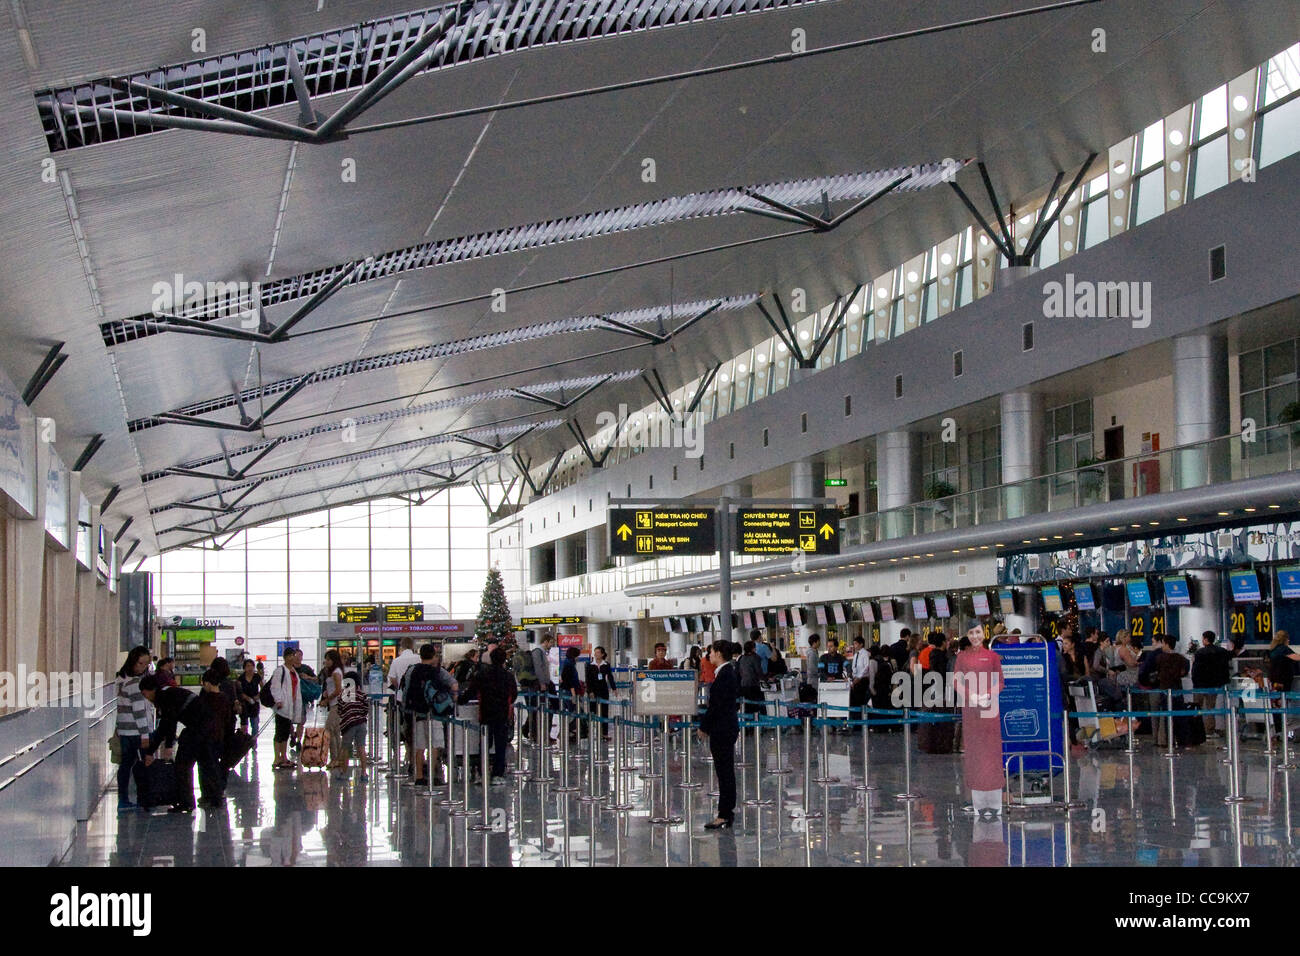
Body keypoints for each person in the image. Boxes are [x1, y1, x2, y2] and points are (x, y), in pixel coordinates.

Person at [139, 674, 220, 813]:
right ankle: (214, 798)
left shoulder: (163, 698)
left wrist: (168, 746)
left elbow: (168, 723)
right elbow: (165, 725)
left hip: (198, 728)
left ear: (151, 690)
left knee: (182, 766)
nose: (145, 697)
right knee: (206, 762)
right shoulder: (168, 693)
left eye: (144, 693)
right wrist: (151, 751)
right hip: (206, 726)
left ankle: (186, 802)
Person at [953, 625, 1004, 816]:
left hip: (990, 711)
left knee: (991, 753)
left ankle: (995, 801)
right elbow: (956, 681)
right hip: (971, 712)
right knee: (975, 754)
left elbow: (1000, 681)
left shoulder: (992, 656)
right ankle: (979, 803)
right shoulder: (962, 658)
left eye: (978, 632)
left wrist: (988, 695)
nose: (975, 636)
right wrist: (971, 695)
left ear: (984, 634)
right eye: (971, 632)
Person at [698, 640, 739, 830]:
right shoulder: (725, 673)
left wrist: (704, 726)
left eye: (712, 652)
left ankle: (724, 814)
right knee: (725, 772)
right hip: (725, 728)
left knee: (724, 773)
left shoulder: (725, 675)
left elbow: (716, 707)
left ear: (720, 653)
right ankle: (725, 812)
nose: (709, 655)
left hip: (722, 729)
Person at [404, 644, 457, 785]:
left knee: (419, 746)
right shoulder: (436, 672)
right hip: (434, 713)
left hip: (418, 713)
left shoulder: (413, 670)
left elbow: (406, 691)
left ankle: (419, 776)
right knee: (434, 745)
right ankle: (433, 775)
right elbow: (453, 686)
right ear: (434, 656)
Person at [114, 646, 153, 811]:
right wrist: (145, 735)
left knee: (126, 765)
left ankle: (123, 800)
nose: (142, 667)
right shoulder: (136, 684)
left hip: (124, 730)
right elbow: (139, 712)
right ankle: (144, 799)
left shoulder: (121, 680)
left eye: (146, 664)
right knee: (143, 765)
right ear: (132, 661)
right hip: (135, 732)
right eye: (140, 663)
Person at [478, 647, 518, 783]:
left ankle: (482, 772)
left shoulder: (483, 674)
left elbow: (472, 690)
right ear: (504, 660)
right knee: (500, 744)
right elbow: (514, 695)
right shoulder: (508, 676)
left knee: (484, 743)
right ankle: (498, 774)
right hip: (501, 713)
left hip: (485, 712)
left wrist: (460, 700)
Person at [269, 647, 305, 771]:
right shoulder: (280, 671)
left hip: (291, 706)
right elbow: (275, 686)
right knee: (280, 732)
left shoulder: (294, 672)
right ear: (285, 657)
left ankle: (283, 757)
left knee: (285, 732)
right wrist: (278, 700)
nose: (293, 658)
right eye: (291, 655)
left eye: (294, 655)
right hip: (282, 706)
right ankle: (277, 758)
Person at [1191, 631, 1231, 736]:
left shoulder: (1199, 653)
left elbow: (1195, 670)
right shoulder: (1222, 652)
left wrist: (1195, 682)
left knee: (1197, 707)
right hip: (1214, 684)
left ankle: (1197, 730)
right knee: (1210, 708)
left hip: (1200, 685)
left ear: (1205, 639)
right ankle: (1209, 730)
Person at [336, 661, 369, 771]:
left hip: (348, 725)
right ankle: (364, 772)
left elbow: (340, 710)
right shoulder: (362, 694)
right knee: (361, 748)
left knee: (345, 748)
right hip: (361, 723)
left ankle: (344, 772)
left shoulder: (343, 695)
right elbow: (365, 709)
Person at [1268, 631, 1300, 738]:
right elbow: (1297, 657)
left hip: (1275, 682)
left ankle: (1277, 732)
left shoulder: (1273, 650)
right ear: (1284, 639)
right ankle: (1280, 733)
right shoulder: (1283, 649)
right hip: (1283, 682)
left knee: (1276, 706)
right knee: (1282, 704)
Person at [319, 649, 346, 769]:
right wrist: (326, 693)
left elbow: (338, 690)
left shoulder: (336, 672)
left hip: (336, 704)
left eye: (329, 659)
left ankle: (335, 758)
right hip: (335, 704)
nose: (326, 661)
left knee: (329, 729)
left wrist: (326, 700)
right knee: (335, 732)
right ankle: (337, 758)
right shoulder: (334, 672)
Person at [585, 646, 616, 735]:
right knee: (593, 710)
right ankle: (591, 730)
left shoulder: (606, 665)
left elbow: (610, 676)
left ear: (602, 654)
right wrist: (590, 691)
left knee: (604, 711)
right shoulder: (590, 665)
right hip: (593, 690)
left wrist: (614, 688)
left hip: (603, 690)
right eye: (595, 652)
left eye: (598, 652)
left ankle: (604, 733)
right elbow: (588, 679)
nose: (596, 654)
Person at [737, 640, 765, 715]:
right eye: (754, 647)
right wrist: (765, 679)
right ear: (752, 649)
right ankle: (755, 724)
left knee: (747, 706)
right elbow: (758, 671)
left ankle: (747, 725)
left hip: (743, 685)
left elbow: (740, 671)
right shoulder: (755, 657)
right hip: (753, 684)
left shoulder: (742, 658)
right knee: (755, 705)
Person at [237, 659, 262, 737]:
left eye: (251, 666)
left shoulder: (257, 677)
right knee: (244, 725)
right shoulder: (241, 678)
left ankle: (254, 744)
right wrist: (247, 698)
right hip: (244, 704)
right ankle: (244, 743)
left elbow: (263, 688)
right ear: (244, 668)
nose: (250, 668)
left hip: (254, 704)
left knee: (255, 725)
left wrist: (258, 696)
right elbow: (239, 691)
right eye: (248, 666)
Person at [849, 636, 873, 714]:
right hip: (856, 679)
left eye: (856, 644)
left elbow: (866, 667)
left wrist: (859, 677)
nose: (854, 646)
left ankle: (861, 716)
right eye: (854, 644)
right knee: (855, 700)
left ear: (861, 644)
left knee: (860, 699)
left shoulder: (865, 653)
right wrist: (854, 676)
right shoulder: (856, 654)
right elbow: (854, 666)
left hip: (863, 679)